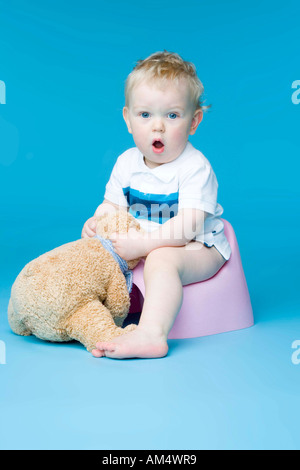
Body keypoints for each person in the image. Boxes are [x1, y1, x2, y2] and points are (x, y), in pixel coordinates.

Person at [82, 51, 231, 359]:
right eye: (145, 115)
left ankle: (152, 334)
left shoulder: (195, 168)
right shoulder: (127, 163)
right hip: (145, 242)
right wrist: (99, 220)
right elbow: (112, 206)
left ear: (194, 121)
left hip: (198, 247)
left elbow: (185, 229)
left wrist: (142, 245)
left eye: (172, 115)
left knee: (162, 258)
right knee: (94, 254)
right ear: (128, 119)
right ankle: (91, 322)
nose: (158, 127)